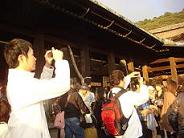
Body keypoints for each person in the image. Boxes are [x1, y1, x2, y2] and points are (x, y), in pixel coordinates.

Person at [4, 38, 70, 138]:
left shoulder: (20, 82)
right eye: (32, 55)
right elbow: (62, 84)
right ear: (21, 58)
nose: (35, 58)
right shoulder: (23, 84)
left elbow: (40, 87)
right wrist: (60, 61)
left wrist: (48, 64)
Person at [109, 70, 149, 138]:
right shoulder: (127, 95)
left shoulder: (110, 93)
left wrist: (129, 76)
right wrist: (142, 84)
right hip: (131, 132)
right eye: (123, 79)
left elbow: (121, 89)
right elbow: (144, 97)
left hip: (118, 130)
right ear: (121, 80)